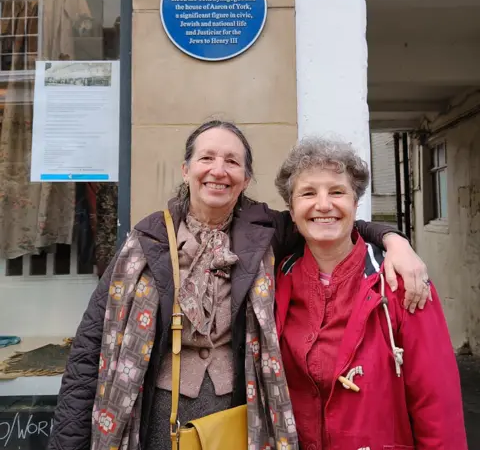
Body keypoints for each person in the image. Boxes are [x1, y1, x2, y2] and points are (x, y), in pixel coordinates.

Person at [48, 121, 430, 450]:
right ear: (186, 169)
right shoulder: (146, 240)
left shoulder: (266, 231)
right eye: (207, 158)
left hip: (242, 421)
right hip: (154, 421)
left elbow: (330, 220)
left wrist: (395, 240)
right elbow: (89, 349)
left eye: (232, 161)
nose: (219, 170)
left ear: (246, 178)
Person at [274, 137, 467, 450]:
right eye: (308, 193)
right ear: (292, 210)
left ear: (355, 203)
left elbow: (437, 403)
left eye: (337, 191)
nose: (323, 204)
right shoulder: (274, 281)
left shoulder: (402, 282)